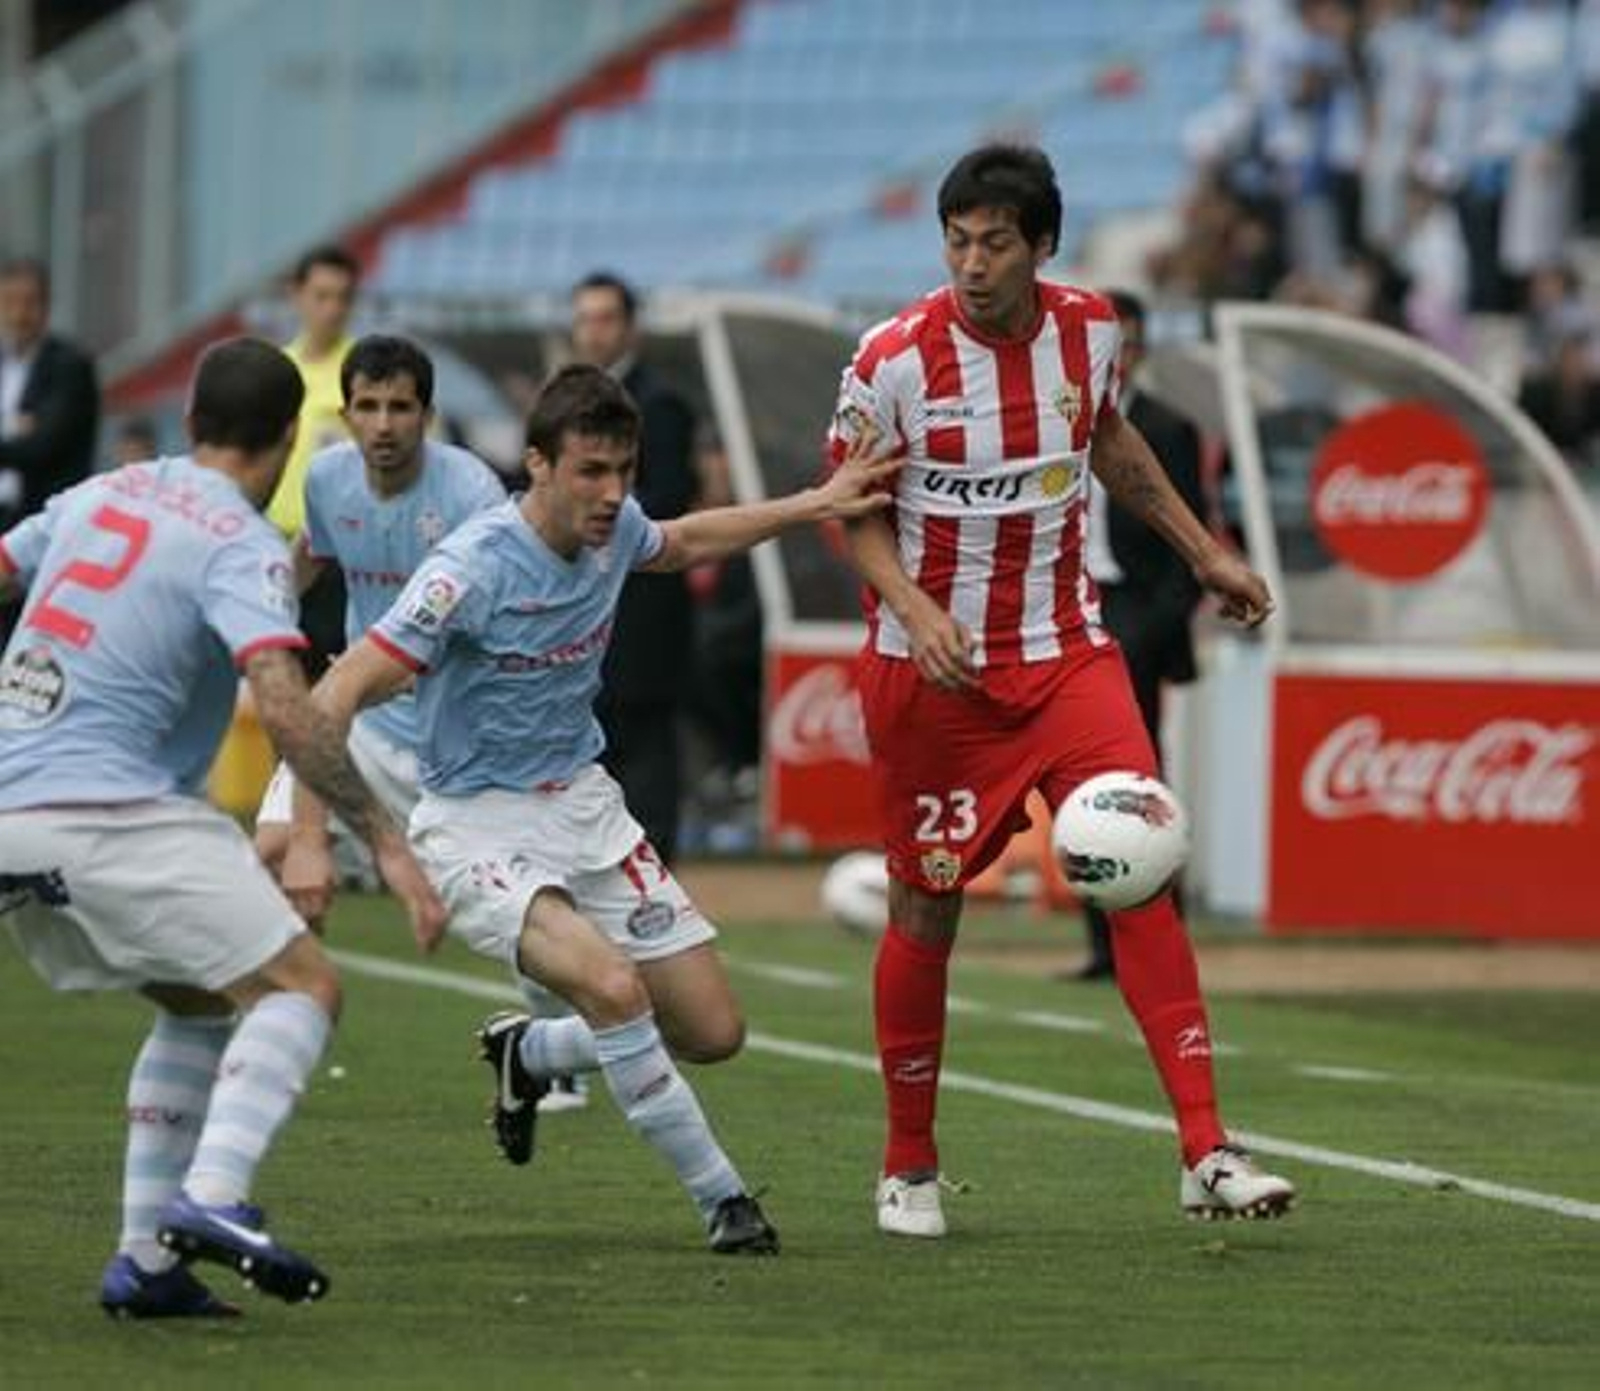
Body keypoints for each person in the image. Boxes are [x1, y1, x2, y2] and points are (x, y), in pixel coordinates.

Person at [307, 364, 896, 1255]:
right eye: (591, 471)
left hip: (584, 806)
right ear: (537, 465)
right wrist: (319, 832)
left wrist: (818, 501)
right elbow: (341, 685)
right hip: (476, 822)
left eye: (623, 470)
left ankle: (531, 1054)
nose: (612, 492)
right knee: (616, 991)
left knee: (712, 1030)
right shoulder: (468, 570)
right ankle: (725, 1201)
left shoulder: (615, 528)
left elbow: (689, 539)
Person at [828, 144, 1296, 1239]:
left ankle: (1204, 1146)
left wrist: (1203, 552)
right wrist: (915, 605)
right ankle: (906, 1164)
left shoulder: (1089, 329)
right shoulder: (892, 357)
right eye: (956, 239)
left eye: (995, 241)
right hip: (931, 672)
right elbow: (846, 508)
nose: (972, 262)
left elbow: (1108, 438)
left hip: (1066, 653)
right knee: (925, 901)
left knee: (1139, 864)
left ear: (1042, 245)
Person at [0, 337, 446, 1317]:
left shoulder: (101, 493)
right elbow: (287, 706)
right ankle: (211, 1194)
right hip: (106, 810)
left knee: (203, 994)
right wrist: (380, 835)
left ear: (190, 419)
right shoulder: (238, 540)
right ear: (291, 437)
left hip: (10, 805)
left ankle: (147, 1262)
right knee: (304, 986)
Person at [255, 333, 505, 891]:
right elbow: (312, 555)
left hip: (452, 739)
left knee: (511, 911)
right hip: (360, 725)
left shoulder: (473, 494)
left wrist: (403, 666)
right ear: (346, 416)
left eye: (400, 407)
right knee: (270, 852)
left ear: (428, 415)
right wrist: (259, 617)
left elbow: (496, 617)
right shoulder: (326, 478)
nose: (383, 425)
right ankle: (286, 980)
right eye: (367, 407)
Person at [1074, 290, 1206, 981]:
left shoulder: (1167, 427)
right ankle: (1101, 944)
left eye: (1125, 344)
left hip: (1131, 612)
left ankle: (1155, 938)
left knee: (1138, 780)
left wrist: (1152, 631)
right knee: (1079, 785)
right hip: (1069, 611)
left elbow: (1191, 541)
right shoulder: (1053, 422)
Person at [571, 271, 698, 865]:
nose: (593, 332)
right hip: (584, 609)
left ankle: (654, 873)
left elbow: (672, 497)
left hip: (644, 610)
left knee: (645, 745)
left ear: (630, 328)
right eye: (585, 319)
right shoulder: (567, 405)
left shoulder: (662, 404)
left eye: (605, 319)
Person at [0, 256, 100, 644]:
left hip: (43, 524)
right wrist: (16, 432)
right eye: (10, 301)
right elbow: (23, 442)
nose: (20, 314)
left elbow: (44, 445)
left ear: (45, 305)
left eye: (30, 302)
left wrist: (22, 436)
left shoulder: (68, 365)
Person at [272, 245, 362, 673]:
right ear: (297, 294)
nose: (333, 308)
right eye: (322, 295)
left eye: (343, 297)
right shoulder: (277, 369)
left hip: (336, 557)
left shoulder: (362, 373)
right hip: (274, 544)